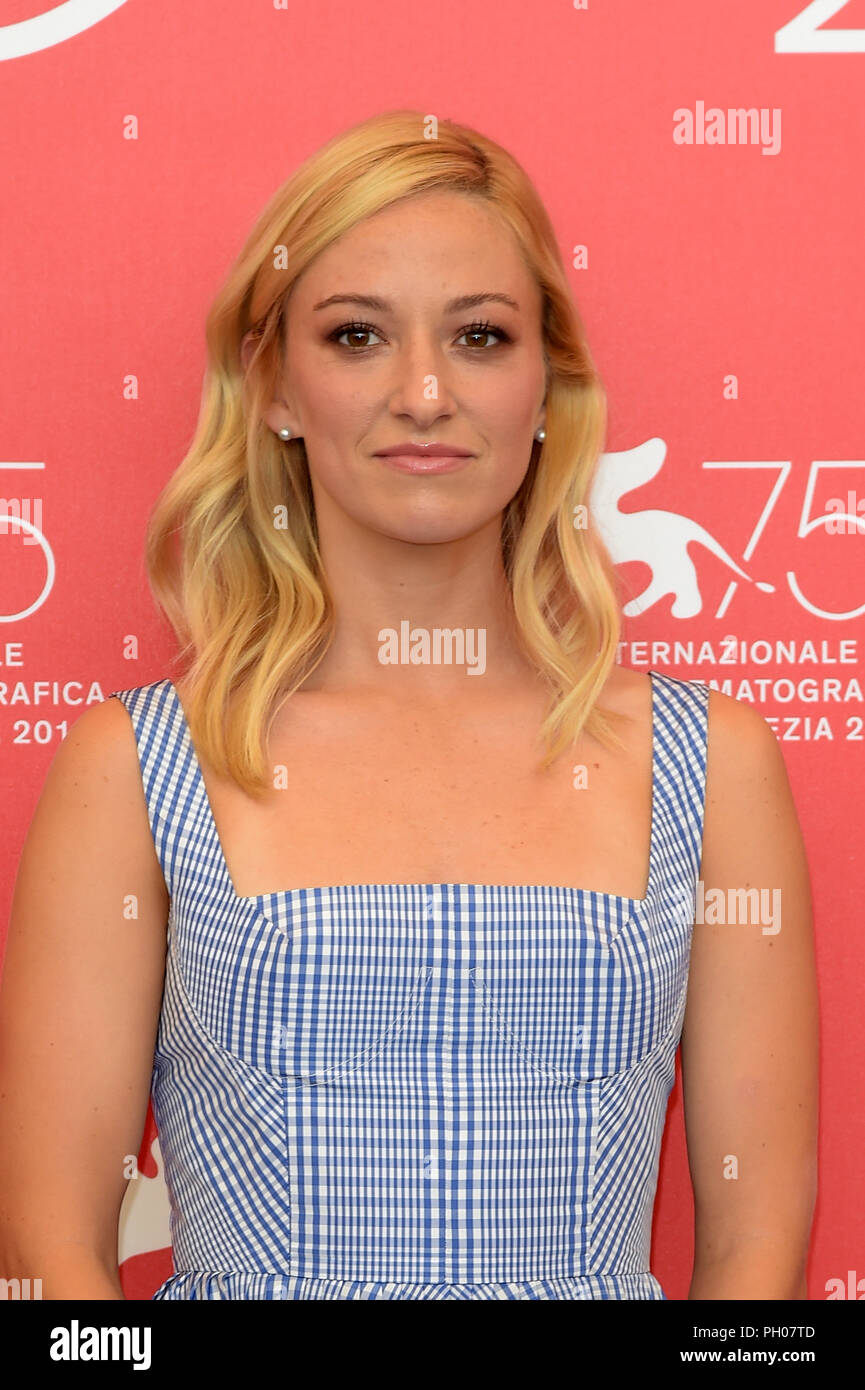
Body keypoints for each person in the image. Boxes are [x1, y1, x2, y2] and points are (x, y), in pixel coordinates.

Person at [0, 110, 818, 1301]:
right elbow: (45, 1261)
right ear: (274, 385)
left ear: (549, 388)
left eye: (480, 336)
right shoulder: (137, 764)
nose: (424, 392)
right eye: (358, 336)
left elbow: (757, 1263)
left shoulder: (707, 761)